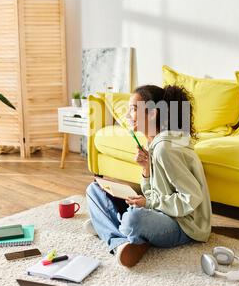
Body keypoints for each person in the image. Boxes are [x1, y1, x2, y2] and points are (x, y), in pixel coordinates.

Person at [86, 84, 212, 268]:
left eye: (134, 109)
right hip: (161, 213)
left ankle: (112, 232)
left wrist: (148, 204)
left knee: (133, 219)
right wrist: (146, 170)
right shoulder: (154, 143)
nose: (128, 116)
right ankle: (125, 238)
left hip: (184, 226)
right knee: (94, 190)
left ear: (152, 113)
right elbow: (153, 194)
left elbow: (190, 198)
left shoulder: (165, 149)